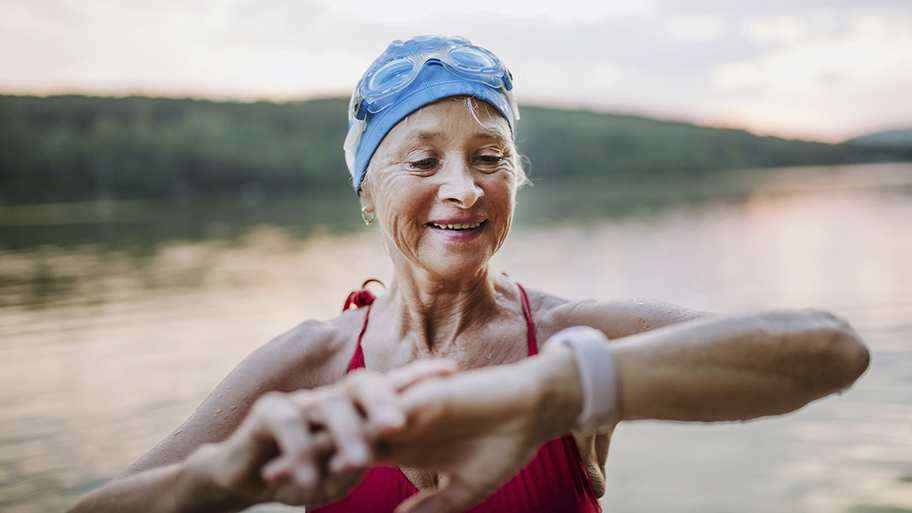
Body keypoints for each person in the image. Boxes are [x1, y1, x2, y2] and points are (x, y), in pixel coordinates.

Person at [67, 35, 870, 513]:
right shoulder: (307, 366)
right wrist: (224, 477)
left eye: (490, 159)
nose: (464, 186)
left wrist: (557, 392)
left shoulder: (566, 337)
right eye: (423, 160)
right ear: (366, 192)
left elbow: (830, 351)